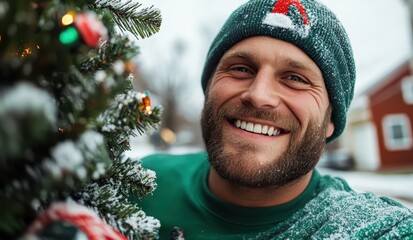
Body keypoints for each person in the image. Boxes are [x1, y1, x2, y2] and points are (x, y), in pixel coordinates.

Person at [137, 0, 413, 239]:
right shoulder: (139, 183)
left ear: (331, 120)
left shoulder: (368, 227)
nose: (258, 95)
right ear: (209, 88)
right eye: (241, 68)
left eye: (295, 78)